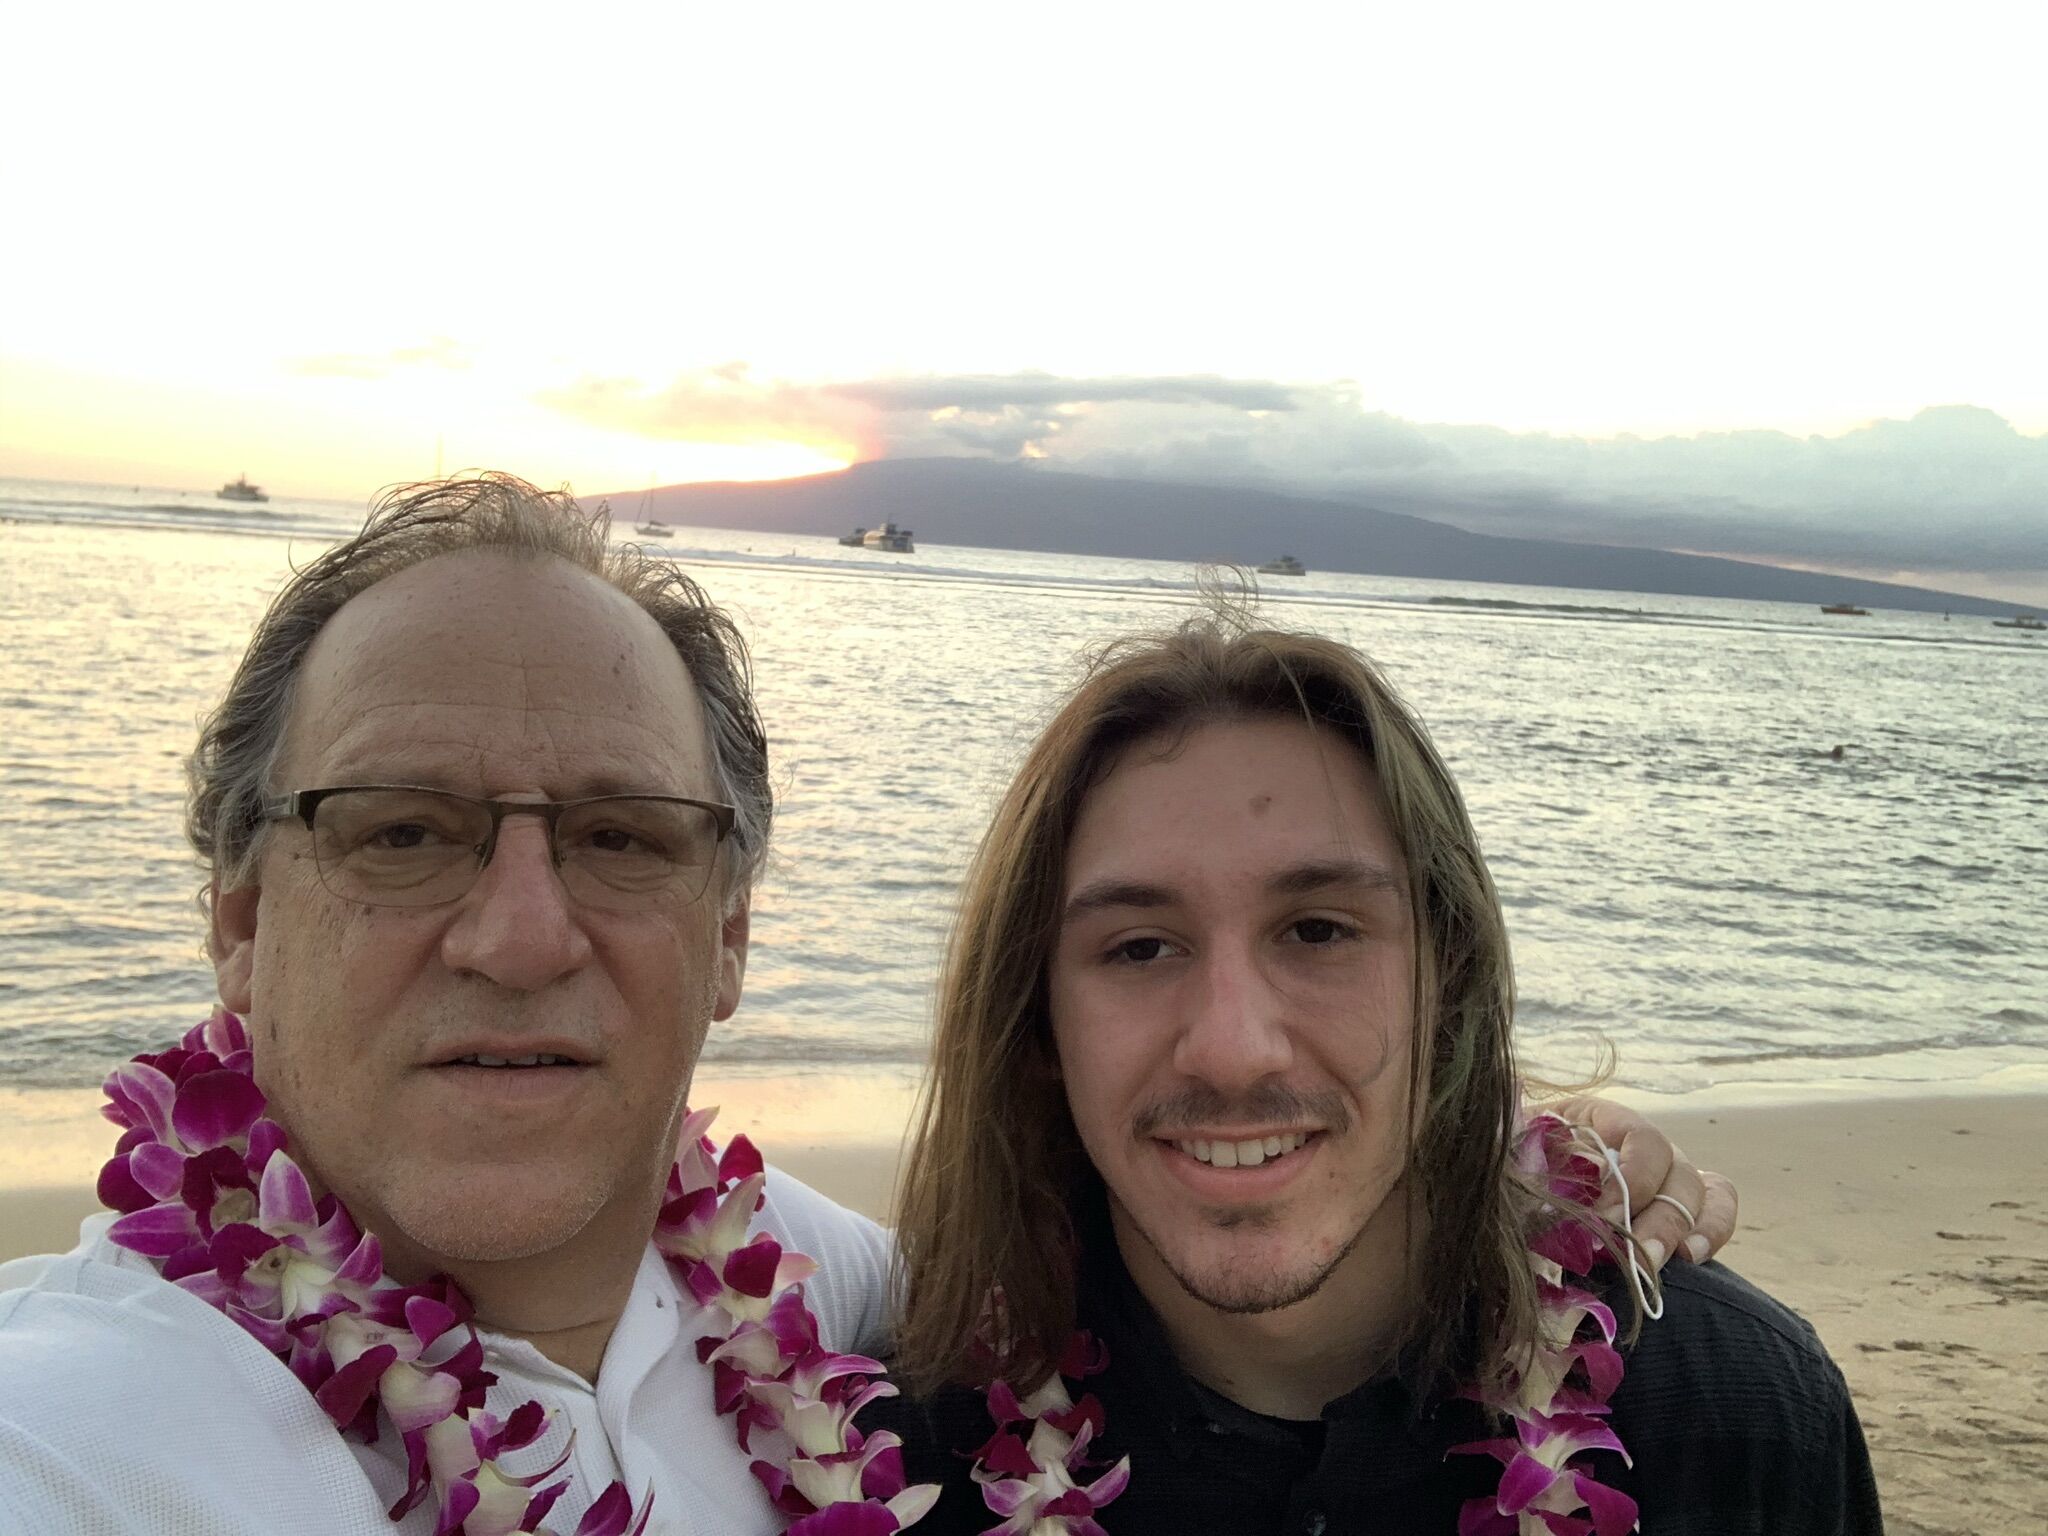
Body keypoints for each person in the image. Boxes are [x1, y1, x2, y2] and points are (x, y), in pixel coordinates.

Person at [0, 477, 1733, 1535]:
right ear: (241, 920)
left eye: (622, 836)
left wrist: (1523, 1163)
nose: (519, 934)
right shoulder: (73, 1443)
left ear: (731, 935)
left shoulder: (847, 1310)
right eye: (399, 832)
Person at [881, 617, 1881, 1534]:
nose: (1234, 1048)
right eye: (1139, 947)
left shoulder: (1736, 1415)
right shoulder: (904, 1466)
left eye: (1319, 931)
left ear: (1449, 978)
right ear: (1036, 1021)